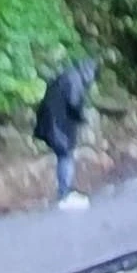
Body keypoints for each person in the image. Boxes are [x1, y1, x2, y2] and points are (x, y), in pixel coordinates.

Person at [33, 57, 97, 210]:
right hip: (58, 125)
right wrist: (82, 117)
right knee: (66, 156)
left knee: (64, 155)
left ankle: (65, 192)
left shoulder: (67, 75)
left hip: (51, 121)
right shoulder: (75, 80)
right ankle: (65, 194)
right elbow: (74, 103)